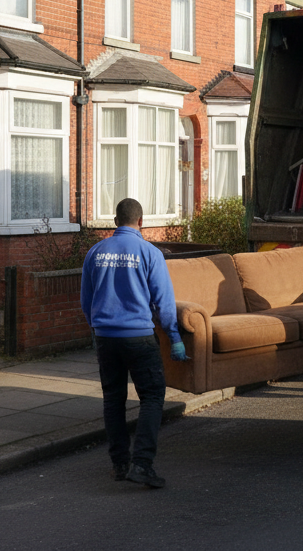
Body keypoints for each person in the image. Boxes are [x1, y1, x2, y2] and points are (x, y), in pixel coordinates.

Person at [81, 198, 187, 489]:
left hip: (106, 338)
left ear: (116, 222)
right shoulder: (149, 252)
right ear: (141, 222)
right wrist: (175, 337)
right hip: (139, 337)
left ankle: (119, 465)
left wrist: (97, 327)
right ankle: (142, 464)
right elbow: (164, 303)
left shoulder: (95, 252)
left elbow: (86, 300)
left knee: (113, 400)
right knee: (152, 398)